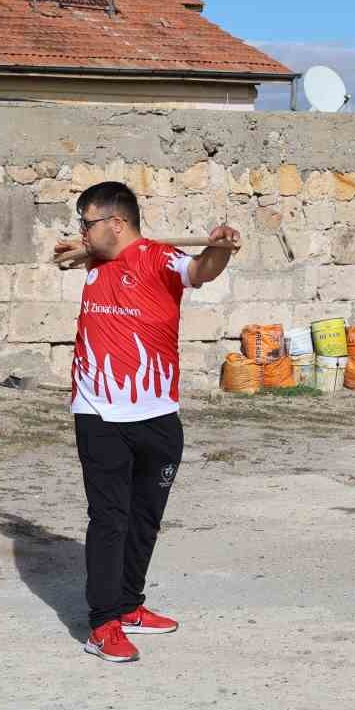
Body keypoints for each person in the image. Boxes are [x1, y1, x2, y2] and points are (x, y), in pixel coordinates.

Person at [60, 181, 239, 663]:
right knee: (110, 518)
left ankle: (130, 604)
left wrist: (221, 248)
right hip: (98, 412)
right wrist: (80, 245)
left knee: (145, 518)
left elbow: (201, 270)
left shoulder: (160, 259)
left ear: (115, 223)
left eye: (87, 221)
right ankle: (102, 623)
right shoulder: (95, 258)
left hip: (158, 413)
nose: (81, 230)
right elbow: (72, 251)